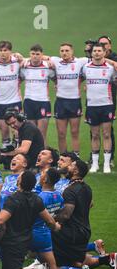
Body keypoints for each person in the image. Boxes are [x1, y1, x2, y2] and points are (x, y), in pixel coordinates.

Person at [31, 167, 95, 269]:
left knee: (50, 267)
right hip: (50, 233)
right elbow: (60, 212)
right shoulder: (58, 196)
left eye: (42, 174)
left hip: (39, 232)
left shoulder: (40, 198)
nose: (40, 175)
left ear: (45, 179)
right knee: (51, 265)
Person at [52, 159, 116, 269]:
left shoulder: (69, 190)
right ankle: (107, 259)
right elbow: (89, 204)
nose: (68, 167)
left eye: (71, 165)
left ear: (76, 171)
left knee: (54, 257)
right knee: (74, 260)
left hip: (71, 233)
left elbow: (66, 214)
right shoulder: (87, 188)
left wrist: (52, 219)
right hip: (84, 232)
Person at [82, 43, 117, 173]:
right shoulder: (85, 68)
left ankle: (107, 163)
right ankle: (95, 164)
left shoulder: (110, 68)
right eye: (94, 51)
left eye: (99, 51)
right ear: (92, 53)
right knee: (95, 134)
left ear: (104, 53)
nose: (96, 53)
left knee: (107, 134)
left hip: (107, 105)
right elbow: (78, 80)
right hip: (92, 105)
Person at [49, 43, 89, 155]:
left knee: (74, 132)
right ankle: (63, 157)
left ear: (72, 52)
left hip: (74, 101)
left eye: (67, 50)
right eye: (62, 51)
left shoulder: (80, 61)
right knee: (61, 133)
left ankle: (76, 157)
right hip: (60, 101)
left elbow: (97, 60)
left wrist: (113, 62)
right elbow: (41, 56)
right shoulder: (56, 61)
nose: (64, 53)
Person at [0, 41, 23, 150]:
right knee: (3, 130)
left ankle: (19, 153)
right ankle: (6, 155)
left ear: (10, 51)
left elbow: (33, 61)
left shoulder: (17, 62)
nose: (3, 53)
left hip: (14, 101)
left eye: (6, 50)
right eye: (1, 51)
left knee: (17, 130)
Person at [20, 44, 55, 144]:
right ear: (30, 54)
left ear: (42, 55)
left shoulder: (48, 67)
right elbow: (18, 80)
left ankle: (44, 157)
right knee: (30, 133)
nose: (35, 56)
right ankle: (32, 158)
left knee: (41, 134)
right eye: (33, 54)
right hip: (28, 102)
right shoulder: (24, 67)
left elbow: (56, 79)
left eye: (37, 54)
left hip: (43, 102)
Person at [98, 36, 117, 167]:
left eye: (105, 44)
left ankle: (109, 157)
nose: (103, 46)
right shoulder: (95, 57)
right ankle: (94, 156)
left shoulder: (114, 58)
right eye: (100, 44)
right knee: (94, 129)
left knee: (107, 129)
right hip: (94, 98)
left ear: (110, 45)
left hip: (110, 97)